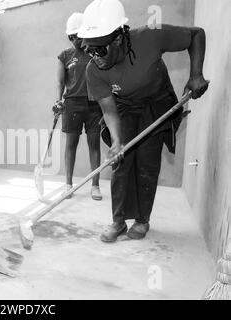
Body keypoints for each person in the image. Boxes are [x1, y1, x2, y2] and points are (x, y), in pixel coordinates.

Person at [78, 0, 209, 242]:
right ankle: (118, 221)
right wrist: (117, 142)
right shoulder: (94, 71)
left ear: (118, 39)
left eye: (100, 50)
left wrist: (196, 75)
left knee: (147, 163)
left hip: (157, 104)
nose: (94, 56)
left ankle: (142, 220)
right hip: (124, 107)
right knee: (121, 161)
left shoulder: (151, 37)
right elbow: (109, 110)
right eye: (89, 50)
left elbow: (196, 35)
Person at [55, 12, 103, 200]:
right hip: (72, 104)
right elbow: (60, 82)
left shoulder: (96, 52)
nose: (75, 40)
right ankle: (68, 184)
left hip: (94, 105)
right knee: (71, 145)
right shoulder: (65, 55)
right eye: (71, 37)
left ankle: (95, 186)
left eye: (78, 36)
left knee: (94, 145)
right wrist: (58, 100)